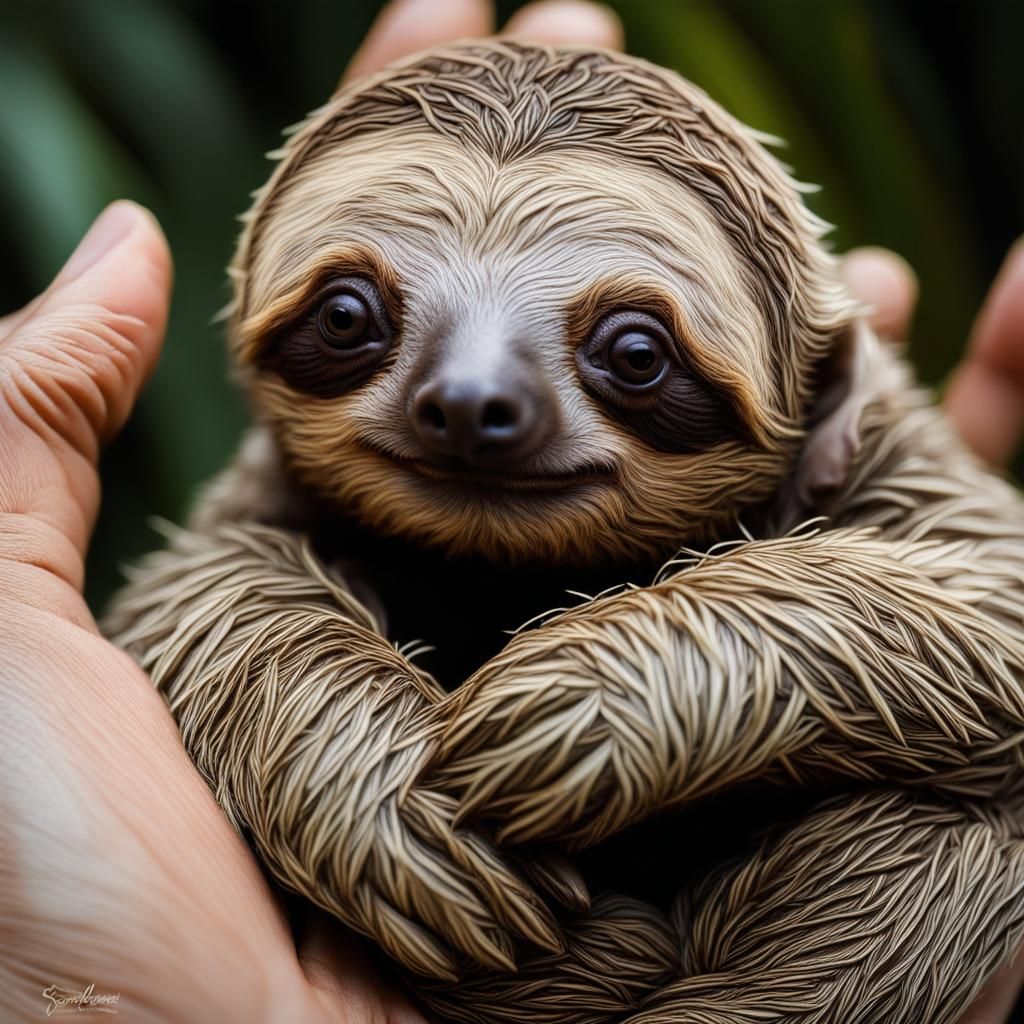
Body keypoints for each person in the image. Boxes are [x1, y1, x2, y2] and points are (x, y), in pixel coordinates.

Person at [1, 1, 1021, 1020]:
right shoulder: (277, 514)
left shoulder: (866, 444)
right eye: (354, 322)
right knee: (230, 628)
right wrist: (302, 732)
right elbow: (184, 630)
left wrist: (703, 661)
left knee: (968, 862)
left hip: (782, 947)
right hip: (439, 984)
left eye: (630, 355)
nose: (468, 393)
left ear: (822, 399)